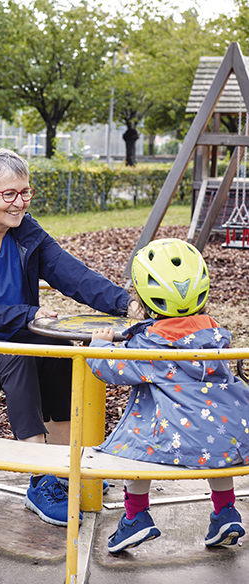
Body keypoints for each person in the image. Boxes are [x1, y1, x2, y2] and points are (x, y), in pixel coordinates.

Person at [0, 148, 140, 526]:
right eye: (9, 194)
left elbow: (72, 274)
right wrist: (29, 313)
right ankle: (40, 479)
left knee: (58, 350)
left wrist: (126, 304)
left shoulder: (26, 232)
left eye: (25, 192)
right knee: (17, 356)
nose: (19, 203)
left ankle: (67, 467)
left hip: (6, 333)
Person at [87, 237, 249, 553]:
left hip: (177, 438)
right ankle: (226, 511)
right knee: (217, 437)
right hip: (230, 433)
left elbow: (112, 369)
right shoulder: (215, 334)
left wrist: (99, 346)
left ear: (145, 301)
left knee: (137, 441)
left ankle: (136, 517)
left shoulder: (150, 345)